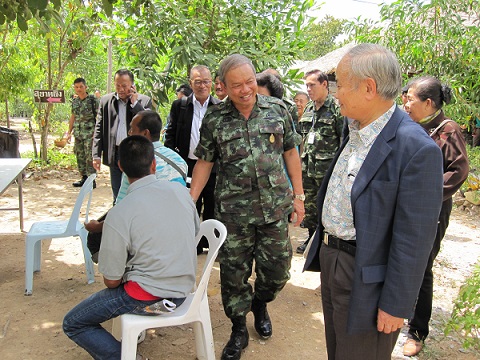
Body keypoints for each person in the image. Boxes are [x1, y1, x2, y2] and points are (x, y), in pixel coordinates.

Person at [304, 43, 444, 360]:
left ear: (369, 88)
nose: (335, 92)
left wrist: (395, 304)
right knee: (338, 351)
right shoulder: (353, 126)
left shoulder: (415, 148)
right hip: (333, 259)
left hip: (367, 275)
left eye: (340, 84)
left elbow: (415, 238)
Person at [190, 54, 305, 360]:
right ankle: (239, 327)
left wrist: (299, 196)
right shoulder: (215, 119)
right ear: (222, 86)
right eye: (236, 85)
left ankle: (261, 302)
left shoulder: (279, 110)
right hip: (233, 212)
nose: (245, 90)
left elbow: (292, 153)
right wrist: (190, 201)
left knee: (278, 271)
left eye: (250, 81)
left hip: (274, 208)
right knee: (233, 275)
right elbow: (205, 161)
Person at [63, 135, 199, 360]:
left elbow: (112, 281)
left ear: (120, 167)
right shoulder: (181, 193)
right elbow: (193, 232)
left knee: (73, 323)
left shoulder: (119, 213)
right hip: (185, 289)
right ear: (154, 163)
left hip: (148, 297)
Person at [403, 76, 469, 356]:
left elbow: (460, 169)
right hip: (407, 206)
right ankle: (401, 311)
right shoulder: (413, 126)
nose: (405, 103)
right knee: (405, 259)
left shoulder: (447, 130)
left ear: (428, 103)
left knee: (423, 265)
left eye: (410, 99)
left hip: (431, 209)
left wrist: (428, 195)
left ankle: (417, 331)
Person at [85, 110, 188, 261]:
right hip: (176, 229)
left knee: (95, 238)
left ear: (145, 133)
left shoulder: (137, 162)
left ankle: (118, 270)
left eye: (132, 129)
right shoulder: (179, 160)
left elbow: (121, 211)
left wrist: (98, 227)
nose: (129, 133)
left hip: (148, 232)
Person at [164, 65, 221, 254]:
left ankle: (211, 245)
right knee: (190, 205)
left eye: (206, 81)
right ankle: (193, 244)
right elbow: (170, 135)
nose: (202, 86)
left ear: (211, 83)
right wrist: (176, 161)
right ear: (191, 83)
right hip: (187, 165)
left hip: (213, 167)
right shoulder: (180, 106)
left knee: (212, 206)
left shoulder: (220, 108)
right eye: (198, 82)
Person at [296, 69, 343, 254]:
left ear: (325, 85)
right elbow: (302, 138)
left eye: (312, 85)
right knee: (310, 207)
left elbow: (343, 140)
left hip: (327, 171)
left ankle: (324, 243)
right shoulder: (308, 109)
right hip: (307, 169)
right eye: (306, 85)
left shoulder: (337, 109)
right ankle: (310, 239)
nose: (308, 89)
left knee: (326, 207)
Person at [92, 69, 152, 201]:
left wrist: (135, 104)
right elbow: (99, 128)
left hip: (136, 153)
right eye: (117, 85)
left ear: (132, 85)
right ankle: (117, 213)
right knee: (118, 192)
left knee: (136, 191)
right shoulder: (106, 101)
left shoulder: (144, 101)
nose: (121, 89)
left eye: (124, 86)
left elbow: (148, 122)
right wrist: (96, 154)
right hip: (116, 152)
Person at [66, 78, 98, 188]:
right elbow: (73, 117)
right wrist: (68, 132)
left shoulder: (93, 100)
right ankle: (84, 177)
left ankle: (91, 179)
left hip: (90, 133)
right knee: (80, 155)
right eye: (76, 87)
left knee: (89, 156)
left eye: (81, 87)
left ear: (85, 87)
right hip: (78, 133)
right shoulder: (75, 102)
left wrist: (97, 133)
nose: (79, 89)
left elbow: (99, 117)